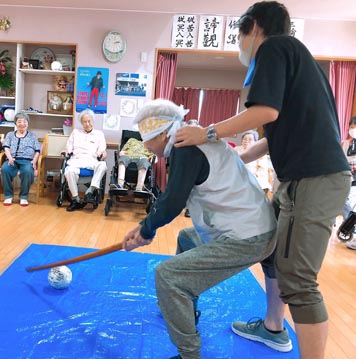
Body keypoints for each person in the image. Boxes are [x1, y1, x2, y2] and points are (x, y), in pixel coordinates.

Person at [174, 2, 351, 358]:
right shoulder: (300, 61)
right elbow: (277, 131)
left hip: (315, 181)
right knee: (268, 242)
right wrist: (234, 158)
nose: (240, 45)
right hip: (300, 179)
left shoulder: (273, 47)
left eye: (239, 36)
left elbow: (264, 112)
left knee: (298, 280)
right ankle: (273, 327)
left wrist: (205, 133)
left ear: (253, 26)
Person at [122, 99, 277, 359]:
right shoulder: (189, 140)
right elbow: (170, 196)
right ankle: (186, 310)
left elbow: (173, 201)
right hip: (248, 226)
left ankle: (189, 354)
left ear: (162, 134)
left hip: (249, 236)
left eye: (146, 139)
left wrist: (146, 231)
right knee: (186, 238)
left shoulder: (186, 148)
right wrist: (145, 226)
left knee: (167, 276)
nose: (145, 145)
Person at [64, 109, 107, 211]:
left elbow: (102, 150)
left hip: (91, 161)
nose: (87, 124)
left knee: (103, 165)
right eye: (85, 121)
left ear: (93, 121)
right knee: (69, 170)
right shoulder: (75, 132)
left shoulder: (99, 134)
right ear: (81, 123)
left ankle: (90, 191)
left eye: (89, 121)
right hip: (76, 160)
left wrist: (103, 154)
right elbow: (68, 147)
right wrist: (65, 151)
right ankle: (76, 199)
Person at [1, 112, 41, 206]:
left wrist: (34, 161)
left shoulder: (33, 136)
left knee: (28, 171)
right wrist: (9, 158)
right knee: (5, 169)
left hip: (27, 160)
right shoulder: (10, 135)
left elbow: (37, 150)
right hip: (12, 159)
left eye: (24, 121)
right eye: (19, 121)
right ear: (15, 123)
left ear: (28, 124)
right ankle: (8, 196)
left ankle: (23, 197)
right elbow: (6, 147)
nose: (22, 124)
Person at [340, 116, 356, 250]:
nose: (354, 130)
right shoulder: (344, 143)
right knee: (344, 204)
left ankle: (352, 230)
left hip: (354, 180)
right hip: (344, 179)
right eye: (352, 127)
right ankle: (350, 229)